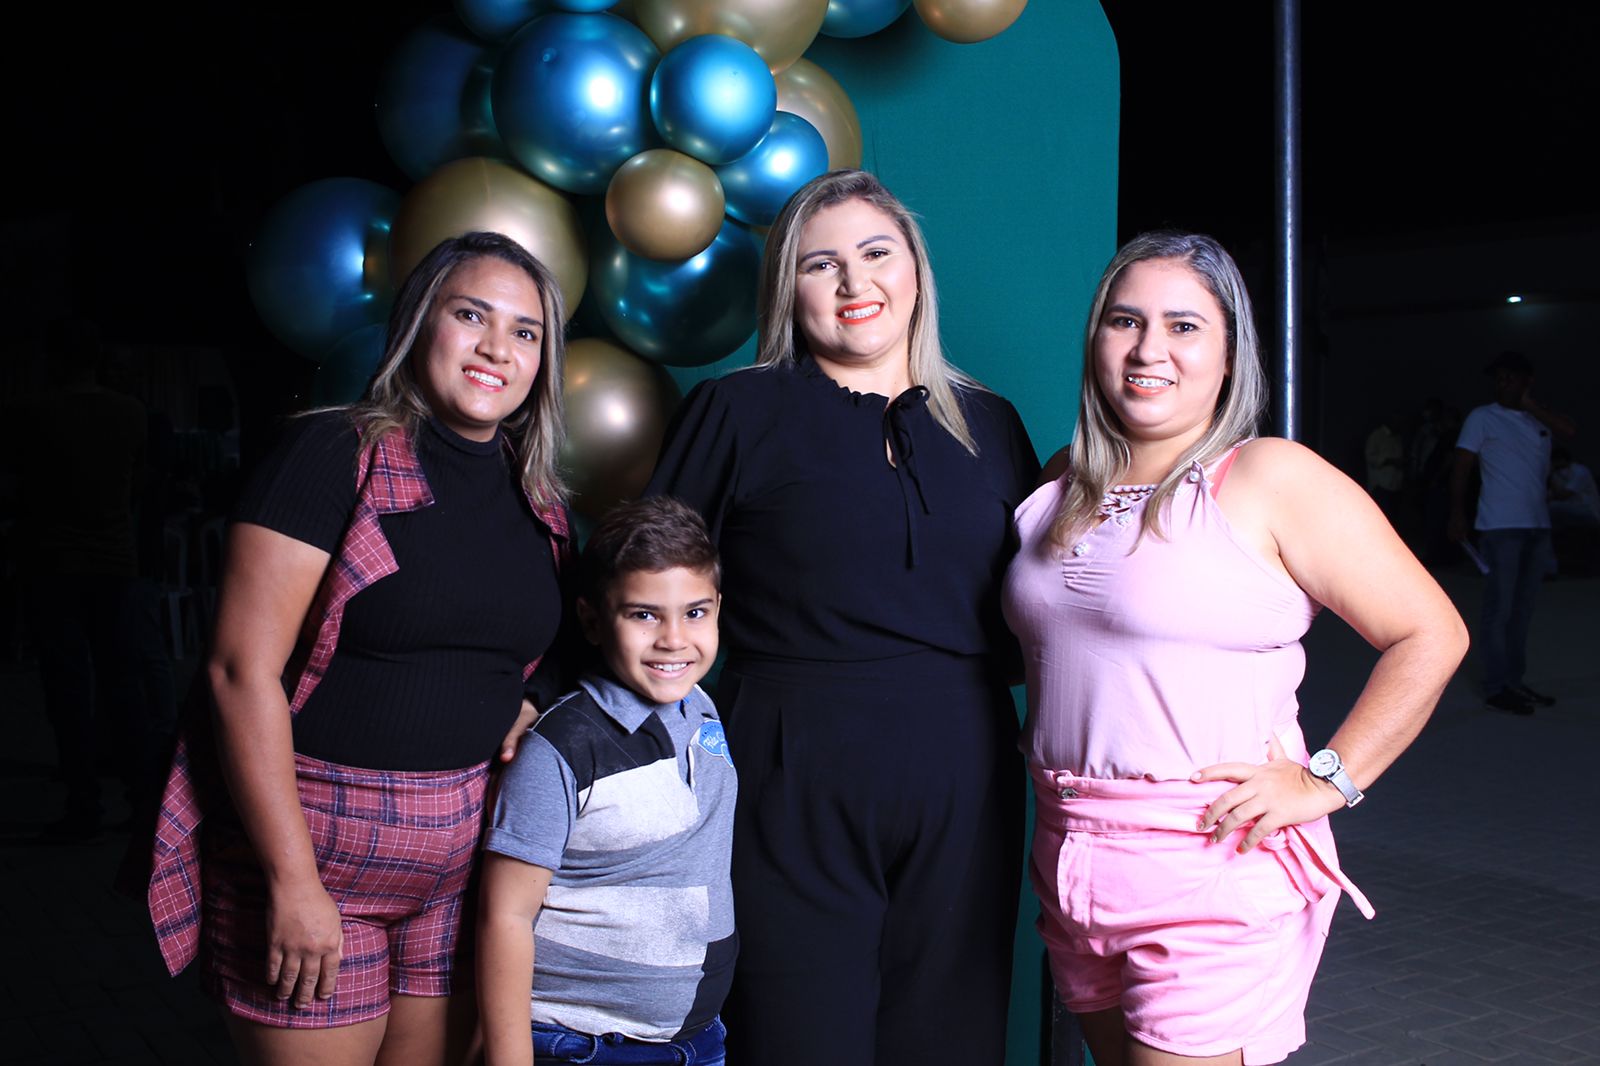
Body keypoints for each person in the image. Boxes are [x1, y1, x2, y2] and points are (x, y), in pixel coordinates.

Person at [1003, 232, 1468, 1066]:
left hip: (1211, 859)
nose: (1149, 349)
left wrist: (1326, 780)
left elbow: (1431, 632)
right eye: (1125, 321)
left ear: (1228, 356)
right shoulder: (1062, 477)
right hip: (1068, 854)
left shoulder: (1269, 478)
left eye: (1184, 326)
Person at [147, 232, 574, 1066]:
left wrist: (526, 703)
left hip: (463, 861)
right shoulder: (331, 455)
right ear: (420, 323)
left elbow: (531, 651)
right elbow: (238, 672)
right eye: (471, 315)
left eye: (525, 331)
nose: (497, 347)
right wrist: (292, 880)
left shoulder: (540, 500)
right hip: (319, 848)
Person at [645, 169, 1039, 1066]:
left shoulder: (991, 423)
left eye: (876, 253)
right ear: (789, 289)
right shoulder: (736, 411)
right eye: (821, 264)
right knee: (797, 1036)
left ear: (915, 271)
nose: (855, 282)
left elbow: (1043, 606)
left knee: (950, 1042)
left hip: (967, 771)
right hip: (789, 766)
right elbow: (642, 583)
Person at [478, 496, 734, 1066]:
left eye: (695, 613)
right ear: (593, 621)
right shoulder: (560, 748)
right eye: (644, 615)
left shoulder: (702, 710)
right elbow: (506, 916)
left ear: (718, 608)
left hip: (697, 1040)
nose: (674, 639)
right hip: (584, 1045)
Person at [1448, 351, 1576, 714]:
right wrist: (1456, 513)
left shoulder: (1539, 421)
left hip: (1537, 526)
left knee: (1523, 610)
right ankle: (1496, 687)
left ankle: (1514, 680)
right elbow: (1462, 467)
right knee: (1500, 608)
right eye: (1499, 378)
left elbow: (1570, 431)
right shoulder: (1483, 417)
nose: (1502, 384)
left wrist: (1530, 405)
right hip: (1500, 526)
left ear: (1526, 381)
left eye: (1510, 377)